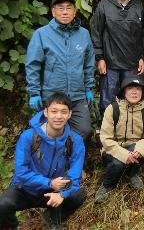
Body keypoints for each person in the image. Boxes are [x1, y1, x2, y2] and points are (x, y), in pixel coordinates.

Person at [0, 92, 86, 230]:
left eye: (64, 112)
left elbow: (75, 176)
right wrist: (49, 182)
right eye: (54, 111)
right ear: (46, 112)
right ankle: (11, 227)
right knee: (3, 205)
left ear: (70, 114)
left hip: (54, 191)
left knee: (78, 195)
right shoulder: (28, 137)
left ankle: (52, 218)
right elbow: (21, 172)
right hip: (26, 189)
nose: (59, 116)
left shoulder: (75, 140)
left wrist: (62, 194)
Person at [26, 0, 95, 142]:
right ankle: (53, 163)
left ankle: (70, 160)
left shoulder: (84, 34)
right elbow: (33, 65)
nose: (65, 12)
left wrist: (88, 88)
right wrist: (34, 92)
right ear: (53, 12)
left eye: (69, 8)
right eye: (60, 8)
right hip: (52, 96)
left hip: (77, 96)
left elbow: (89, 63)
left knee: (85, 131)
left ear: (75, 12)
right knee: (47, 134)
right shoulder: (41, 34)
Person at [91, 0, 144, 121]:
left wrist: (141, 56)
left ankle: (130, 133)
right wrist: (99, 57)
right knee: (108, 100)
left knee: (133, 98)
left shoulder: (138, 6)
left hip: (131, 63)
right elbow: (96, 32)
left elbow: (141, 34)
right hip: (110, 62)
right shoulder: (104, 5)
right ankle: (105, 133)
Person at [95, 76, 144, 203]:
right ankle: (107, 184)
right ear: (124, 92)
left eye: (138, 88)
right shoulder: (113, 109)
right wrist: (124, 154)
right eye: (130, 88)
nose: (134, 92)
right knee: (118, 163)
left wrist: (140, 149)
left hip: (135, 148)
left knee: (137, 152)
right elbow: (105, 138)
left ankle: (131, 174)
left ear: (142, 92)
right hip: (112, 149)